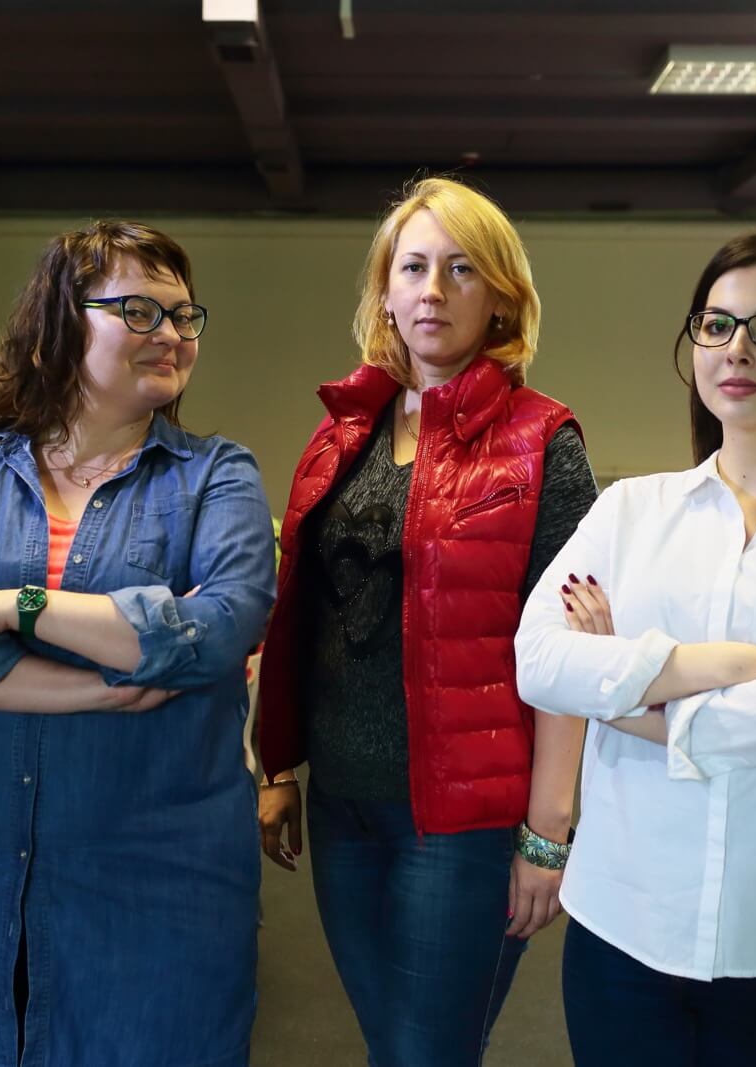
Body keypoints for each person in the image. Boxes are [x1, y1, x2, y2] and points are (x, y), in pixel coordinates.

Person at [0, 221, 276, 1067]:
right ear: (62, 321)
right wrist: (103, 680)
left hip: (158, 872)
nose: (171, 334)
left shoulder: (216, 477)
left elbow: (218, 632)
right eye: (140, 311)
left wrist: (2, 606)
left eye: (184, 315)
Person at [514, 233, 756, 1067]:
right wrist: (735, 664)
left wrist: (620, 694)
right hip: (624, 925)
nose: (738, 347)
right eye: (717, 324)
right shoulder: (631, 510)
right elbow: (539, 660)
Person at [256, 176, 597, 1065]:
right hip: (344, 804)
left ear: (501, 298)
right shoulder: (341, 434)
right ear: (385, 292)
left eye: (461, 269)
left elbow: (571, 653)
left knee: (424, 1053)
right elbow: (305, 618)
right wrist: (279, 765)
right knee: (398, 1047)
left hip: (465, 820)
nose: (433, 290)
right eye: (413, 267)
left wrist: (548, 831)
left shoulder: (544, 441)